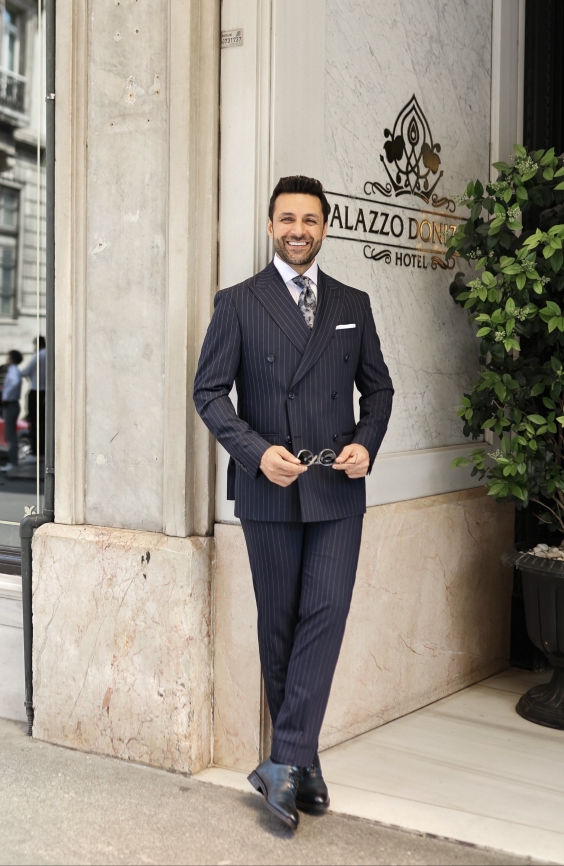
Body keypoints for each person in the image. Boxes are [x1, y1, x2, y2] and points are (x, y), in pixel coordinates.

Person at [193, 176, 393, 831]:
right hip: (268, 487)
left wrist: (367, 442)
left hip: (337, 487)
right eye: (287, 219)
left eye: (309, 219)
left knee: (325, 616)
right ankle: (299, 766)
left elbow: (380, 391)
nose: (298, 229)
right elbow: (210, 393)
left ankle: (284, 758)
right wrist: (252, 450)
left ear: (325, 227)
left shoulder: (353, 303)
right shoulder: (238, 302)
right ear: (271, 225)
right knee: (279, 626)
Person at [23, 336, 45, 458]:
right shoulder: (49, 354)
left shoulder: (38, 356)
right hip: (46, 392)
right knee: (43, 422)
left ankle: (36, 451)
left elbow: (25, 371)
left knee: (34, 422)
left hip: (36, 390)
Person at [0, 350, 23, 472]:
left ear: (12, 359)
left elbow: (14, 382)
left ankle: (13, 461)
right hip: (12, 404)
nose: (6, 360)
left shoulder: (13, 370)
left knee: (10, 435)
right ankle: (12, 461)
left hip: (11, 404)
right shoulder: (14, 370)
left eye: (8, 358)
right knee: (10, 434)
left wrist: (6, 396)